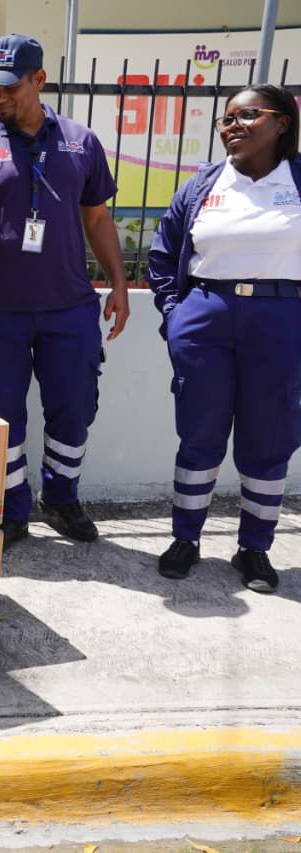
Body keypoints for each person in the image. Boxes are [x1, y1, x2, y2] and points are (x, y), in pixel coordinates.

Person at [0, 34, 129, 550]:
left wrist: (119, 282)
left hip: (70, 308)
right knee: (2, 413)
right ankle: (12, 506)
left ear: (38, 80)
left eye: (9, 88)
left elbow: (98, 219)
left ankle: (61, 499)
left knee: (75, 406)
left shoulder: (81, 143)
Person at [146, 84, 301, 593]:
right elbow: (163, 255)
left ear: (282, 122)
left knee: (269, 439)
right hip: (206, 318)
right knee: (200, 433)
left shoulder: (297, 181)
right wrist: (176, 315)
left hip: (282, 318)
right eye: (226, 118)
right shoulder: (203, 185)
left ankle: (254, 549)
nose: (233, 125)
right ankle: (185, 539)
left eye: (248, 115)